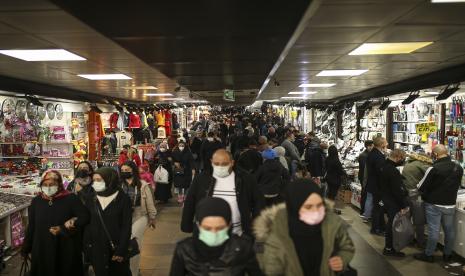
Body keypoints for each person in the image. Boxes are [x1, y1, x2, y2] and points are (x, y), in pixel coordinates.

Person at [253, 179, 355, 276]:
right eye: (308, 206)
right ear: (295, 206)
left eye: (319, 205)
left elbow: (347, 246)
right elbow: (267, 267)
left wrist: (342, 259)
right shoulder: (272, 231)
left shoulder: (332, 223)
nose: (316, 211)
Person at [181, 149, 265, 236]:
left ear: (232, 163)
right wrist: (186, 225)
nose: (220, 167)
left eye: (224, 164)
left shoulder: (246, 179)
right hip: (207, 234)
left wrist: (255, 225)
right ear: (211, 162)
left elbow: (259, 202)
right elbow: (190, 202)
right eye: (216, 164)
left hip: (238, 234)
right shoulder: (201, 179)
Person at [170, 197, 263, 276]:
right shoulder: (184, 249)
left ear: (229, 225)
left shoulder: (243, 247)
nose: (214, 232)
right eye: (207, 228)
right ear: (198, 226)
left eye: (220, 228)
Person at [22, 170, 90, 276]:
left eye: (52, 184)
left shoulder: (71, 198)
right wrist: (26, 248)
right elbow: (32, 226)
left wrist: (65, 227)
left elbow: (84, 217)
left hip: (66, 247)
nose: (48, 187)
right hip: (42, 248)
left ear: (59, 184)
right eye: (45, 184)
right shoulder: (36, 201)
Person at [415, 145, 463, 263]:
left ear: (435, 154)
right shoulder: (458, 167)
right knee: (449, 230)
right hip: (450, 203)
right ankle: (447, 254)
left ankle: (429, 254)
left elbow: (421, 186)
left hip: (434, 204)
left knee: (433, 230)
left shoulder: (433, 168)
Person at [87, 167, 132, 276]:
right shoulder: (92, 198)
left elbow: (126, 226)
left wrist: (121, 250)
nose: (95, 183)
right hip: (97, 249)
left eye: (99, 180)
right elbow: (88, 223)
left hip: (115, 248)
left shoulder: (123, 199)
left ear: (109, 180)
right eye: (94, 180)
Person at [120, 161, 157, 276]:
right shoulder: (118, 185)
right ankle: (128, 269)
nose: (124, 173)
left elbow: (150, 202)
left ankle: (134, 272)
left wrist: (152, 217)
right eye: (122, 171)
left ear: (133, 170)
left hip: (139, 214)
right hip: (123, 217)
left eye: (127, 170)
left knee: (133, 241)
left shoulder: (142, 184)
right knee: (129, 245)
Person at [379, 149, 409, 257]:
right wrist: (403, 205)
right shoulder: (393, 170)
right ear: (398, 157)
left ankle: (389, 247)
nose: (403, 160)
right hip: (392, 202)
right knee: (393, 225)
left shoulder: (383, 166)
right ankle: (389, 248)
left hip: (385, 199)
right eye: (402, 158)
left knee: (390, 224)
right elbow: (397, 190)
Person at [402, 153, 432, 247]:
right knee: (419, 220)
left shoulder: (408, 163)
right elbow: (433, 174)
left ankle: (408, 239)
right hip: (416, 195)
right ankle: (421, 242)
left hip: (406, 194)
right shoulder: (421, 165)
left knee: (407, 218)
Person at [364, 136, 387, 236]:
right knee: (378, 208)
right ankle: (376, 228)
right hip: (377, 186)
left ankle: (381, 226)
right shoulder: (377, 156)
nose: (387, 144)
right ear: (382, 144)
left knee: (379, 207)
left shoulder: (373, 153)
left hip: (373, 184)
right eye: (385, 143)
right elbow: (380, 171)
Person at [358, 140, 374, 218]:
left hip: (364, 178)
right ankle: (363, 212)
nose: (373, 147)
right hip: (365, 178)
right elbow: (366, 169)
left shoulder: (365, 155)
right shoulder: (364, 156)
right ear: (368, 146)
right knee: (365, 195)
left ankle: (365, 211)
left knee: (366, 195)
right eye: (372, 146)